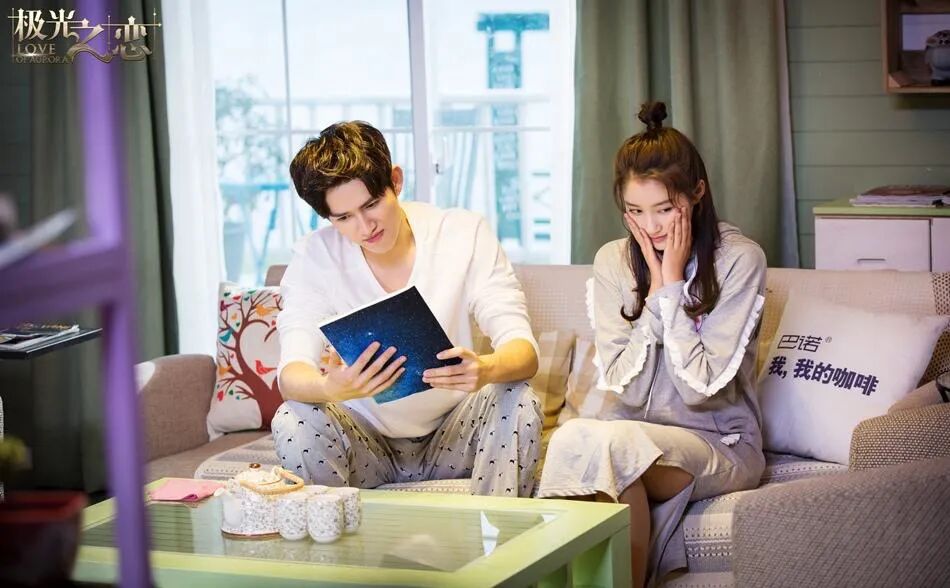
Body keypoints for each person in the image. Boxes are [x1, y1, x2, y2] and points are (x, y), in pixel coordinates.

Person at [538, 102, 767, 587]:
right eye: (636, 212)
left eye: (665, 209)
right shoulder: (613, 261)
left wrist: (670, 288)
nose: (652, 227)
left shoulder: (739, 260)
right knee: (573, 438)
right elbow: (629, 389)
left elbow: (699, 391)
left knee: (614, 447)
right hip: (629, 433)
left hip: (719, 443)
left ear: (697, 193)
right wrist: (656, 303)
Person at [272, 121, 543, 497]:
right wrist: (328, 387)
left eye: (371, 204)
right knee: (293, 416)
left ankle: (501, 533)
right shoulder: (315, 256)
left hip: (455, 433)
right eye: (344, 218)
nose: (365, 227)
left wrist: (485, 369)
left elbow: (523, 351)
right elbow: (291, 373)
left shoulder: (461, 232)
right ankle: (332, 537)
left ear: (395, 181)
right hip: (367, 445)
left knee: (520, 398)